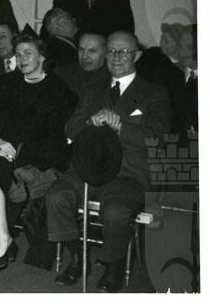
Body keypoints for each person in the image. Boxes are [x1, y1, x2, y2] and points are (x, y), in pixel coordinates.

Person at [46, 31, 171, 293]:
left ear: (137, 55)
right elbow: (70, 128)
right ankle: (77, 257)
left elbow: (157, 138)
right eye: (112, 51)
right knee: (57, 196)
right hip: (89, 169)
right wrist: (89, 123)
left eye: (123, 52)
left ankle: (113, 265)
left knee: (116, 211)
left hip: (129, 174)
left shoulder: (154, 94)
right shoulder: (93, 90)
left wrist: (120, 126)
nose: (116, 57)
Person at [0, 32, 77, 286]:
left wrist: (16, 150)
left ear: (42, 57)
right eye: (18, 54)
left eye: (28, 53)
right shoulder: (4, 83)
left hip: (35, 158)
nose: (21, 58)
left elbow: (53, 137)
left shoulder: (57, 89)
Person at [55, 32, 109, 100]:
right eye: (81, 49)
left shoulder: (113, 79)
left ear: (106, 53)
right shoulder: (62, 76)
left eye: (92, 51)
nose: (84, 56)